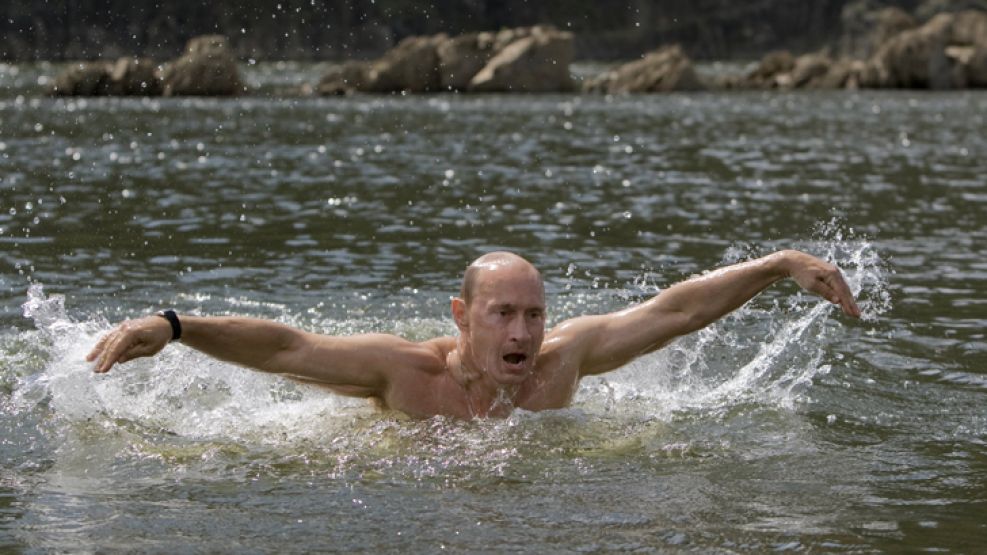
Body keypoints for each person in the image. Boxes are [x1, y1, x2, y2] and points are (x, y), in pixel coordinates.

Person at [88, 249, 861, 418]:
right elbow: (288, 347)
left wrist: (780, 264)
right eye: (503, 313)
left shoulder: (564, 364)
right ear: (461, 317)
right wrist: (176, 325)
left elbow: (673, 311)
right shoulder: (402, 373)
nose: (523, 330)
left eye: (533, 313)